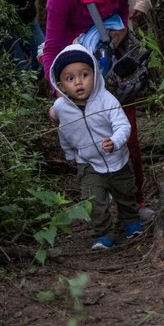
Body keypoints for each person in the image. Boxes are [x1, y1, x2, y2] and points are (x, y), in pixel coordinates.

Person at [43, 0, 153, 219]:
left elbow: (120, 11)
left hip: (111, 69)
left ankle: (135, 205)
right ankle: (100, 215)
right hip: (77, 74)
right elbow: (52, 46)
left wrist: (118, 30)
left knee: (127, 135)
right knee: (89, 143)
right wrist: (59, 95)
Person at [49, 43, 143, 249]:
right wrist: (69, 154)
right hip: (88, 163)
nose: (79, 83)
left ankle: (131, 223)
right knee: (94, 202)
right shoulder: (61, 108)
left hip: (117, 158)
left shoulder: (106, 100)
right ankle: (103, 234)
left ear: (95, 74)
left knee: (125, 194)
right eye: (70, 78)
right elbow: (64, 131)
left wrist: (115, 141)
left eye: (84, 75)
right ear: (60, 85)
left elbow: (122, 125)